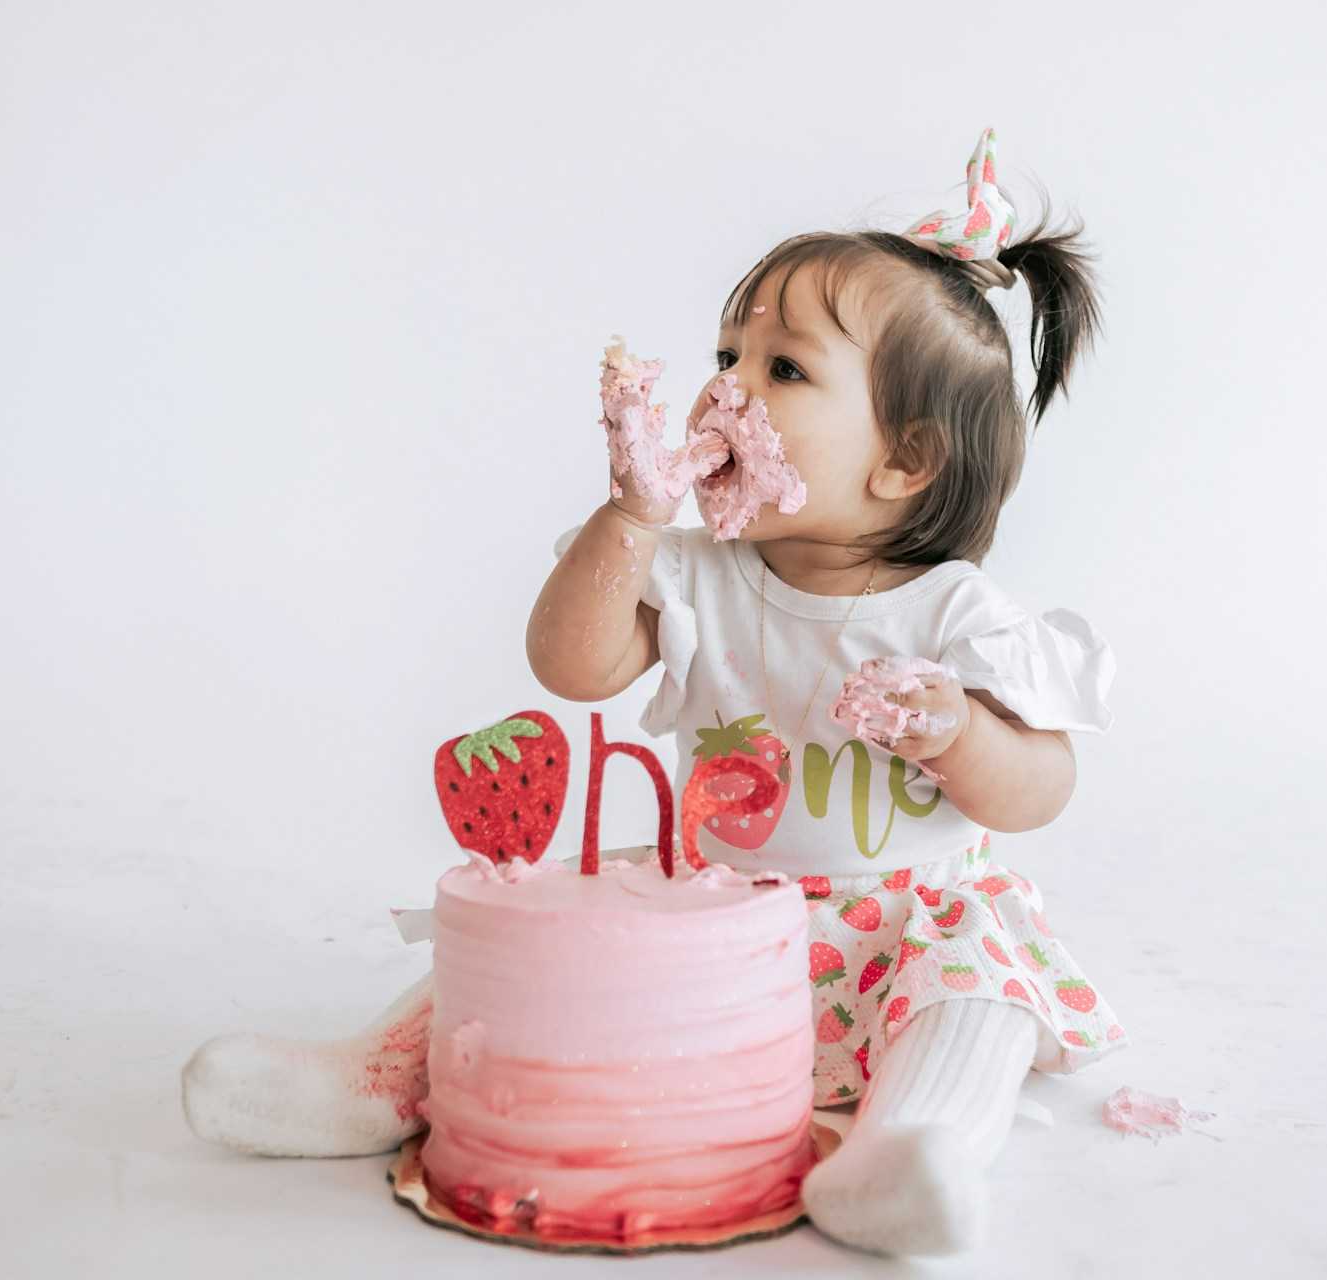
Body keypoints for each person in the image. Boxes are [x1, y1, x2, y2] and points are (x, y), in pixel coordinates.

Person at [183, 127, 1127, 1258]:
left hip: (907, 925)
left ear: (904, 462)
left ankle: (911, 1149)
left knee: (976, 1003)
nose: (727, 389)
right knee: (543, 954)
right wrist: (631, 518)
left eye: (782, 370)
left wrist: (960, 729)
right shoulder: (695, 571)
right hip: (717, 919)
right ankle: (370, 1081)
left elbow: (1041, 786)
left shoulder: (955, 615)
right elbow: (571, 665)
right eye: (727, 354)